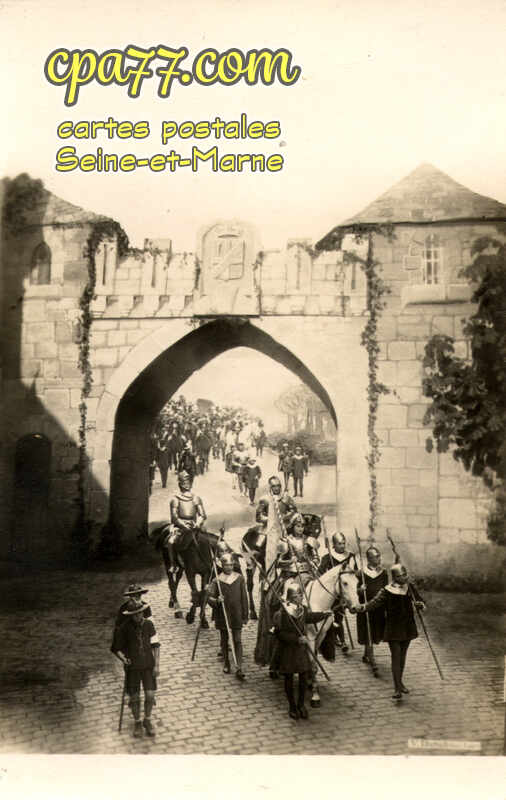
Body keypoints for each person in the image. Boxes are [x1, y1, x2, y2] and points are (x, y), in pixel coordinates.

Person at [353, 563, 426, 700]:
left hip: (407, 626)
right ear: (394, 577)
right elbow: (373, 604)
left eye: (405, 574)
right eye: (400, 576)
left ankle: (400, 682)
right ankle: (397, 688)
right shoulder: (386, 591)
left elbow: (421, 601)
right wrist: (361, 608)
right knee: (396, 657)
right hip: (393, 628)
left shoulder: (409, 588)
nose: (404, 577)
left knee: (402, 656)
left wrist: (420, 605)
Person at [271, 585, 332, 719]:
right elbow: (279, 633)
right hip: (288, 651)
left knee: (304, 676)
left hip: (301, 650)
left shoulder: (302, 609)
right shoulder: (282, 613)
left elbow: (309, 617)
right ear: (292, 597)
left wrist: (324, 614)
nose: (302, 597)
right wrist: (296, 639)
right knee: (289, 678)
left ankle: (301, 705)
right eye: (299, 595)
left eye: (301, 595)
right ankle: (292, 706)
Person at [112, 598, 160, 738]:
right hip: (132, 668)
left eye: (140, 613)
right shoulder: (124, 628)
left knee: (150, 695)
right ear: (130, 615)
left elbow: (156, 646)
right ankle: (137, 722)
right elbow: (115, 648)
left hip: (148, 666)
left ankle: (147, 720)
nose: (138, 616)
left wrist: (157, 665)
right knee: (134, 698)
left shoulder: (149, 625)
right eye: (134, 614)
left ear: (143, 612)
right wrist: (123, 659)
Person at [207, 553, 249, 681]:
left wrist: (245, 614)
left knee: (237, 640)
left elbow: (244, 597)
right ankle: (226, 663)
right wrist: (217, 600)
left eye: (231, 565)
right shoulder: (217, 580)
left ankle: (239, 667)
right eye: (226, 565)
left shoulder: (239, 578)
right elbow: (209, 598)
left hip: (236, 614)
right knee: (224, 639)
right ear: (222, 566)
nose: (229, 567)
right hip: (223, 614)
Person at [318, 532, 358, 653]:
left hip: (344, 591)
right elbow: (320, 573)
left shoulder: (350, 556)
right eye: (339, 544)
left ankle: (341, 640)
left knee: (339, 616)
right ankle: (334, 637)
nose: (342, 546)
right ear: (334, 545)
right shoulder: (327, 557)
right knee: (332, 615)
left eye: (343, 543)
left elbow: (354, 572)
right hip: (332, 592)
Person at [166, 470, 207, 574]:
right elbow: (174, 517)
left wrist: (198, 523)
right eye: (184, 483)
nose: (187, 485)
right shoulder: (175, 499)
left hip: (194, 525)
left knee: (207, 540)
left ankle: (210, 560)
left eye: (188, 482)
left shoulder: (196, 498)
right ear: (180, 484)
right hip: (180, 527)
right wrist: (183, 525)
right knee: (171, 542)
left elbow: (202, 515)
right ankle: (173, 564)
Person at [356, 545, 388, 670]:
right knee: (367, 630)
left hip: (378, 607)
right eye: (376, 557)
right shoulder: (361, 573)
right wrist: (360, 590)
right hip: (365, 606)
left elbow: (385, 588)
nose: (379, 558)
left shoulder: (383, 572)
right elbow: (354, 590)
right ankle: (372, 658)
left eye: (379, 556)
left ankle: (366, 654)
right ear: (369, 559)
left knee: (374, 631)